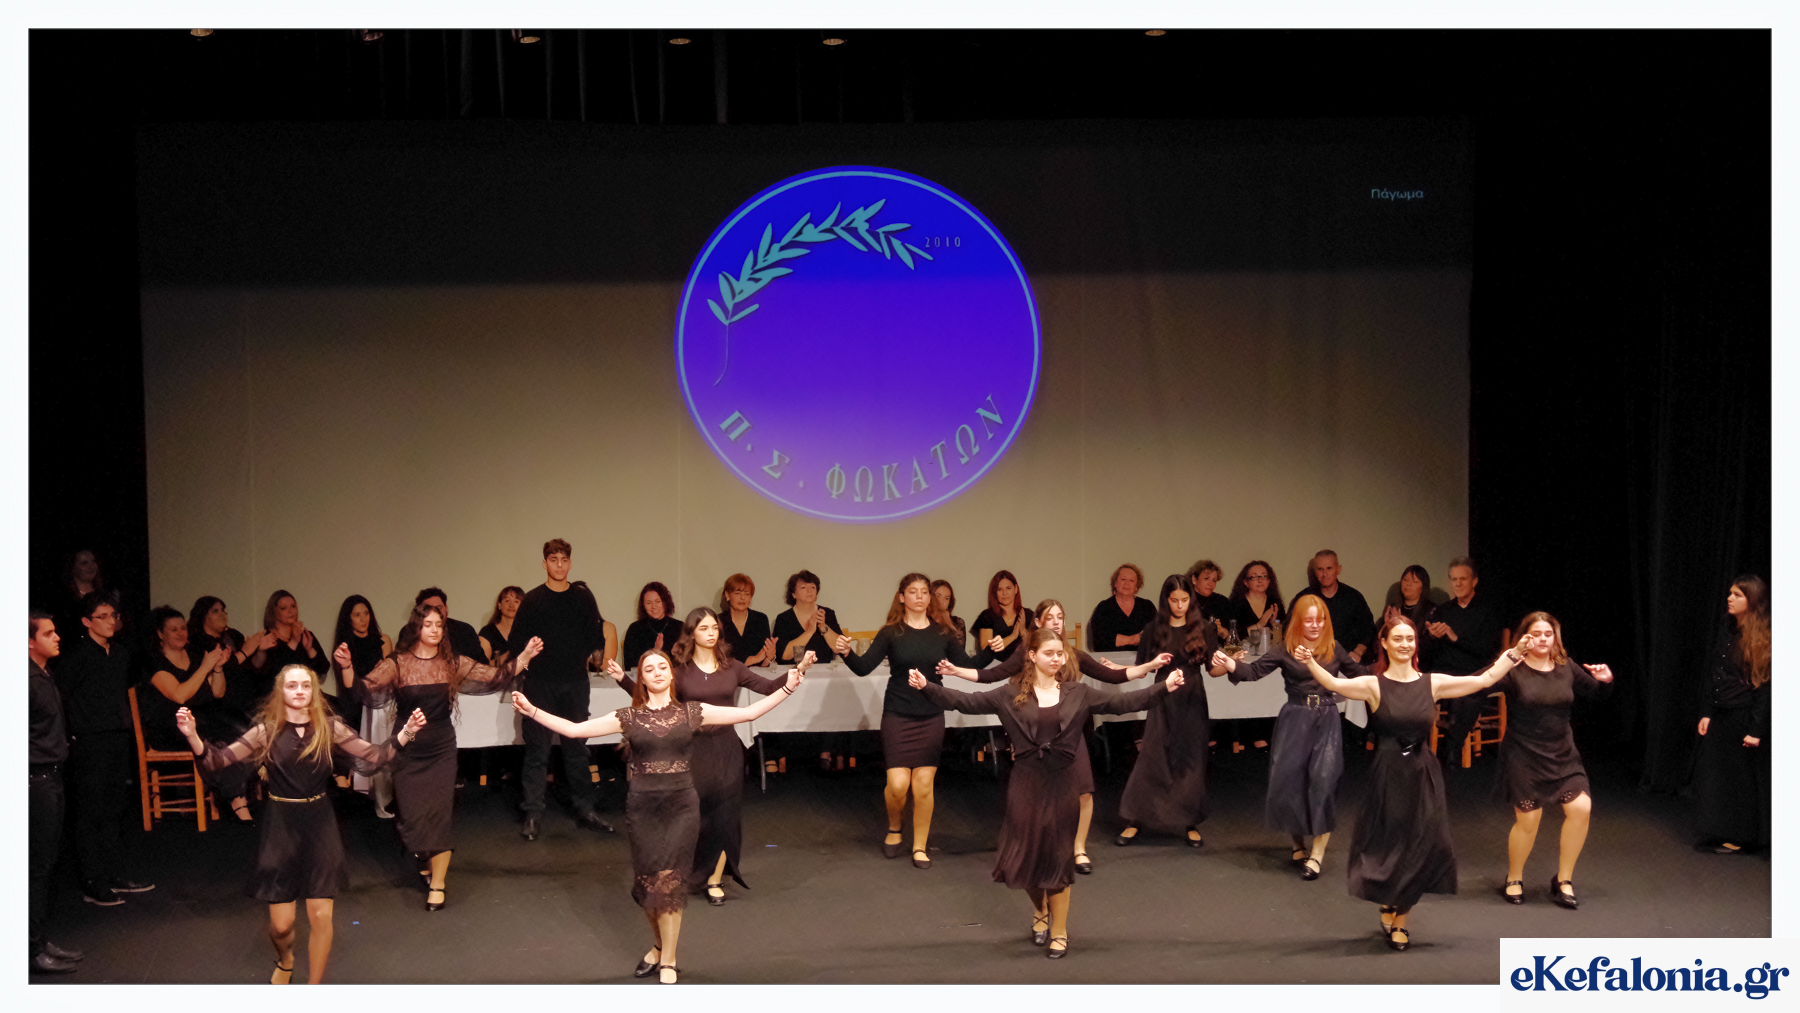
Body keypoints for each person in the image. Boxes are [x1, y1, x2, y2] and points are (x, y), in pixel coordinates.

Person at [512, 648, 807, 984]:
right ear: (641, 677)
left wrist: (787, 688)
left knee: (669, 884)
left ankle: (669, 959)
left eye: (662, 666)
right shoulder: (628, 717)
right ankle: (658, 946)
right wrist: (532, 710)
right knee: (647, 887)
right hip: (643, 809)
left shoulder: (693, 711)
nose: (657, 672)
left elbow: (749, 713)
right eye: (649, 668)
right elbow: (575, 730)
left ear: (671, 673)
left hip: (681, 808)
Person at [910, 627, 1186, 959]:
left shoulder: (1079, 692)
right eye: (1049, 653)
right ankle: (1040, 909)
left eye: (1060, 653)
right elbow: (965, 702)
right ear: (1032, 656)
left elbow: (1122, 703)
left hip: (1063, 784)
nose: (1056, 659)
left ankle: (1059, 930)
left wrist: (1164, 687)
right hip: (1026, 785)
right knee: (1022, 860)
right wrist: (927, 687)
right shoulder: (1009, 693)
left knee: (1057, 859)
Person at [180, 666, 427, 983]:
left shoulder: (330, 728)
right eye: (292, 685)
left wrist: (406, 733)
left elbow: (376, 756)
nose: (299, 691)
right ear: (281, 691)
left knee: (321, 915)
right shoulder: (266, 730)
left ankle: (313, 988)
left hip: (320, 823)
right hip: (281, 825)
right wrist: (193, 736)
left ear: (313, 691)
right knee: (281, 926)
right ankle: (286, 959)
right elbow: (218, 761)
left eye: (306, 685)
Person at [1294, 614, 1525, 950]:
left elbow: (1483, 679)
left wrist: (1514, 654)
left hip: (1422, 773)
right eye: (1398, 639)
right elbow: (1334, 684)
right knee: (1390, 846)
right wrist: (1310, 662)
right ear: (1384, 644)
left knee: (1420, 846)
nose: (1405, 644)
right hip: (1388, 774)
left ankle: (1402, 919)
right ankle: (1390, 899)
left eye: (1410, 639)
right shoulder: (1374, 685)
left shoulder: (1432, 683)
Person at [336, 601, 545, 910]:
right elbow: (362, 692)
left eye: (439, 625)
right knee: (411, 819)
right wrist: (346, 668)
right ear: (416, 628)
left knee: (440, 816)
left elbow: (495, 676)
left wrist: (524, 656)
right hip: (407, 747)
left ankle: (438, 883)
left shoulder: (452, 662)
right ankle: (423, 857)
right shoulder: (398, 663)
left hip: (441, 748)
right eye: (428, 624)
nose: (434, 630)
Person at [938, 599, 1170, 873]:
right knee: (1037, 794)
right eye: (1050, 617)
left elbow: (1113, 676)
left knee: (1084, 791)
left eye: (1060, 617)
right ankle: (1038, 847)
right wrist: (957, 671)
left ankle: (1079, 848)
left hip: (1071, 732)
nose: (1057, 622)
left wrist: (1150, 665)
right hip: (1038, 732)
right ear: (1038, 623)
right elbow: (991, 675)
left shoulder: (1073, 655)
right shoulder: (1028, 652)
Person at [609, 607, 801, 906]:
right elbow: (651, 697)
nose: (711, 633)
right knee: (695, 816)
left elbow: (767, 687)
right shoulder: (680, 670)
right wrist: (622, 678)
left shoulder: (733, 667)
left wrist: (797, 673)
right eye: (704, 628)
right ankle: (692, 872)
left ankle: (715, 879)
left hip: (727, 749)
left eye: (714, 628)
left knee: (726, 816)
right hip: (693, 750)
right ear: (692, 633)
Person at [1209, 594, 1364, 880]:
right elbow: (1253, 672)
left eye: (1320, 620)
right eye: (1309, 620)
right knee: (1291, 783)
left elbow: (1361, 675)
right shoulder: (1285, 648)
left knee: (1324, 782)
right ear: (1299, 621)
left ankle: (1317, 855)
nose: (1315, 625)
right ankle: (1297, 844)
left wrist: (1393, 675)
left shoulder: (1334, 647)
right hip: (1295, 719)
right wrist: (1230, 664)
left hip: (1327, 719)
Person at [835, 572, 978, 868]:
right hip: (898, 714)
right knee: (898, 785)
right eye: (913, 592)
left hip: (931, 714)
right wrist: (847, 652)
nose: (920, 597)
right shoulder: (891, 632)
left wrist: (992, 652)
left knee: (924, 784)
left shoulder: (943, 633)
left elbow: (966, 665)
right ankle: (894, 826)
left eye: (924, 592)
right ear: (902, 597)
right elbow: (863, 667)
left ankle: (920, 846)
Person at [1494, 612, 1615, 907]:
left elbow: (1598, 693)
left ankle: (1563, 879)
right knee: (1529, 820)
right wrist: (1509, 657)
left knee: (1581, 808)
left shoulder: (1566, 666)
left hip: (1562, 754)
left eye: (1548, 634)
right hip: (1523, 753)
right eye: (1536, 634)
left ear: (1555, 637)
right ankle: (1514, 877)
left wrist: (1606, 680)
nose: (1542, 639)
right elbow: (1480, 684)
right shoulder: (1514, 669)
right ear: (1525, 637)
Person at [53, 590, 156, 906]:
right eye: (103, 616)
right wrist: (70, 735)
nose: (111, 621)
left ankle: (114, 874)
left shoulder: (120, 654)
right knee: (90, 810)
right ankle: (92, 881)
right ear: (87, 622)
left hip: (116, 736)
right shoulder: (77, 656)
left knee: (114, 807)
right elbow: (62, 696)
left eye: (113, 616)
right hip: (88, 740)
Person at [508, 538, 611, 841]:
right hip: (540, 683)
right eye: (553, 559)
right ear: (545, 563)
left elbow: (596, 635)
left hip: (575, 682)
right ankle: (533, 813)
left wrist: (591, 655)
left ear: (570, 563)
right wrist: (528, 652)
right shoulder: (533, 600)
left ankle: (585, 809)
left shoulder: (582, 598)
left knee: (577, 749)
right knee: (537, 750)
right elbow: (516, 642)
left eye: (564, 559)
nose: (559, 565)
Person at [1115, 575, 1224, 848]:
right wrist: (1116, 669)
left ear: (1191, 600)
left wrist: (1232, 664)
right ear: (1166, 600)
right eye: (1174, 600)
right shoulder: (1154, 628)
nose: (1179, 605)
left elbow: (1213, 670)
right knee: (1152, 756)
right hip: (1162, 695)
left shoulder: (1204, 628)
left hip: (1192, 697)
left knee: (1190, 758)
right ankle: (1137, 818)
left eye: (1184, 600)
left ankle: (1189, 821)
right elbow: (1142, 668)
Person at [140, 605, 251, 822]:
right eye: (174, 629)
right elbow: (180, 695)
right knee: (223, 738)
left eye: (183, 628)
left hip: (201, 722)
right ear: (160, 634)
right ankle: (236, 800)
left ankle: (235, 797)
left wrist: (217, 668)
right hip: (172, 728)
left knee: (239, 731)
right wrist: (205, 667)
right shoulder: (155, 662)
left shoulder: (194, 655)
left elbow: (217, 692)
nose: (181, 633)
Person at [1695, 574, 1770, 855]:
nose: (1730, 598)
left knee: (1741, 779)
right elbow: (1715, 675)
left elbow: (1764, 688)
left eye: (1738, 595)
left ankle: (1742, 836)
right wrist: (1707, 711)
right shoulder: (1726, 631)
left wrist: (1755, 730)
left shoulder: (1762, 638)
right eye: (1730, 593)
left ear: (1752, 601)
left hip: (1743, 716)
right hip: (1721, 712)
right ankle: (1721, 830)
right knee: (1719, 776)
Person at [30, 611, 86, 974]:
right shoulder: (23, 680)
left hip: (51, 776)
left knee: (44, 866)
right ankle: (30, 950)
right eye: (48, 633)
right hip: (34, 780)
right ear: (29, 641)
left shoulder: (44, 675)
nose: (57, 637)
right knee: (35, 867)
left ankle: (36, 940)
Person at [1425, 557, 1508, 762]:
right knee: (1418, 684)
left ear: (1474, 581)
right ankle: (1417, 746)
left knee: (1470, 690)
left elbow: (1487, 651)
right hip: (1445, 669)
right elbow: (1429, 653)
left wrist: (1455, 637)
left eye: (1463, 579)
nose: (1458, 584)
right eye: (1454, 579)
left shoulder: (1488, 611)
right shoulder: (1443, 610)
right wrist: (1432, 637)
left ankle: (1453, 746)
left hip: (1474, 669)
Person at [770, 570, 849, 770]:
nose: (809, 591)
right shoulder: (784, 618)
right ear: (793, 593)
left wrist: (823, 627)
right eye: (803, 587)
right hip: (795, 674)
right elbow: (784, 654)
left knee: (833, 701)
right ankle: (791, 753)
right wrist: (810, 631)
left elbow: (838, 647)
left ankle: (826, 752)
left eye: (813, 587)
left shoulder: (827, 614)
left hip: (824, 674)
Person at [247, 590, 329, 710]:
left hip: (307, 698)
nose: (291, 611)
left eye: (293, 606)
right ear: (274, 613)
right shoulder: (266, 639)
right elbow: (273, 678)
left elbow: (322, 672)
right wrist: (293, 642)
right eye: (284, 608)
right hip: (275, 703)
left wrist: (310, 650)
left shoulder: (305, 635)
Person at [188, 596, 263, 726]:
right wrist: (244, 652)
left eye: (223, 610)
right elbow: (221, 669)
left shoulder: (234, 635)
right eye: (215, 611)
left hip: (247, 699)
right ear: (203, 616)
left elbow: (252, 665)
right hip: (222, 707)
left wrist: (261, 649)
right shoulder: (198, 642)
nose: (222, 614)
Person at [330, 595, 392, 743]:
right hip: (354, 705)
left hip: (379, 705)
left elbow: (390, 675)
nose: (363, 619)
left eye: (366, 613)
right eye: (357, 615)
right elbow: (349, 685)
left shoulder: (383, 640)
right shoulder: (344, 647)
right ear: (348, 618)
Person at [1087, 563, 1154, 652]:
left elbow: (1157, 637)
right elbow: (1098, 642)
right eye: (1123, 579)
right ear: (1115, 583)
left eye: (1131, 580)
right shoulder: (1103, 607)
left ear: (1137, 586)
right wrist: (1133, 639)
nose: (1127, 583)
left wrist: (1118, 640)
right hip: (1109, 659)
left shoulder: (1147, 606)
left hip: (1142, 658)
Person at [971, 570, 1033, 664]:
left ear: (1016, 589)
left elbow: (1038, 648)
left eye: (1008, 588)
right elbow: (986, 649)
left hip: (1024, 667)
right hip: (994, 667)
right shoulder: (987, 616)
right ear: (994, 592)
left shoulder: (1028, 615)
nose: (1004, 593)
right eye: (999, 589)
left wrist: (1024, 632)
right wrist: (1013, 636)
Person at [414, 587, 487, 666]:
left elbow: (482, 664)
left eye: (439, 608)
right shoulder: (411, 631)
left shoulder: (464, 630)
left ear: (446, 609)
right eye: (429, 609)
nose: (435, 612)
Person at [716, 573, 776, 667]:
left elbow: (763, 662)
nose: (742, 598)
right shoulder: (718, 621)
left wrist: (770, 656)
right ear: (727, 595)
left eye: (747, 594)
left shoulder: (760, 619)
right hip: (727, 673)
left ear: (750, 598)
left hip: (757, 673)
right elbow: (719, 659)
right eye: (737, 593)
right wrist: (753, 659)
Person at [622, 582, 684, 672]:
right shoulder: (635, 629)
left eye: (658, 601)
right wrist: (654, 652)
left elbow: (686, 665)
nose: (653, 606)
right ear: (643, 605)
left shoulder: (680, 627)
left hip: (675, 678)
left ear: (665, 602)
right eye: (648, 603)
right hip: (643, 678)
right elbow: (629, 667)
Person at [1383, 564, 1450, 633]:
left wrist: (1399, 625)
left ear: (1423, 587)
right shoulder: (1394, 607)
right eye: (1405, 580)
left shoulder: (1431, 611)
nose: (1408, 584)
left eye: (1415, 581)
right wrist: (1387, 626)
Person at [1228, 560, 1285, 636]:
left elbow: (1285, 634)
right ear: (1246, 582)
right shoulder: (1236, 604)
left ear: (1269, 581)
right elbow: (1233, 635)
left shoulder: (1275, 603)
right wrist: (1259, 625)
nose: (1260, 580)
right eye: (1254, 577)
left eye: (1264, 576)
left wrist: (1274, 624)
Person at [1186, 559, 1233, 639]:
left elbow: (1233, 638)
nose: (1210, 584)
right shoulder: (1184, 600)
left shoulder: (1222, 602)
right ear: (1194, 579)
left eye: (1214, 580)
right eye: (1206, 578)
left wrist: (1221, 631)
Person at [478, 586, 526, 663]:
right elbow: (482, 665)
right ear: (499, 605)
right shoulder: (487, 632)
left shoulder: (529, 630)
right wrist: (509, 654)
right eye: (507, 601)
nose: (511, 605)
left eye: (516, 601)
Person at [930, 579, 968, 651]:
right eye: (938, 596)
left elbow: (960, 652)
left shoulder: (957, 622)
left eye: (946, 598)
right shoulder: (922, 621)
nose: (942, 601)